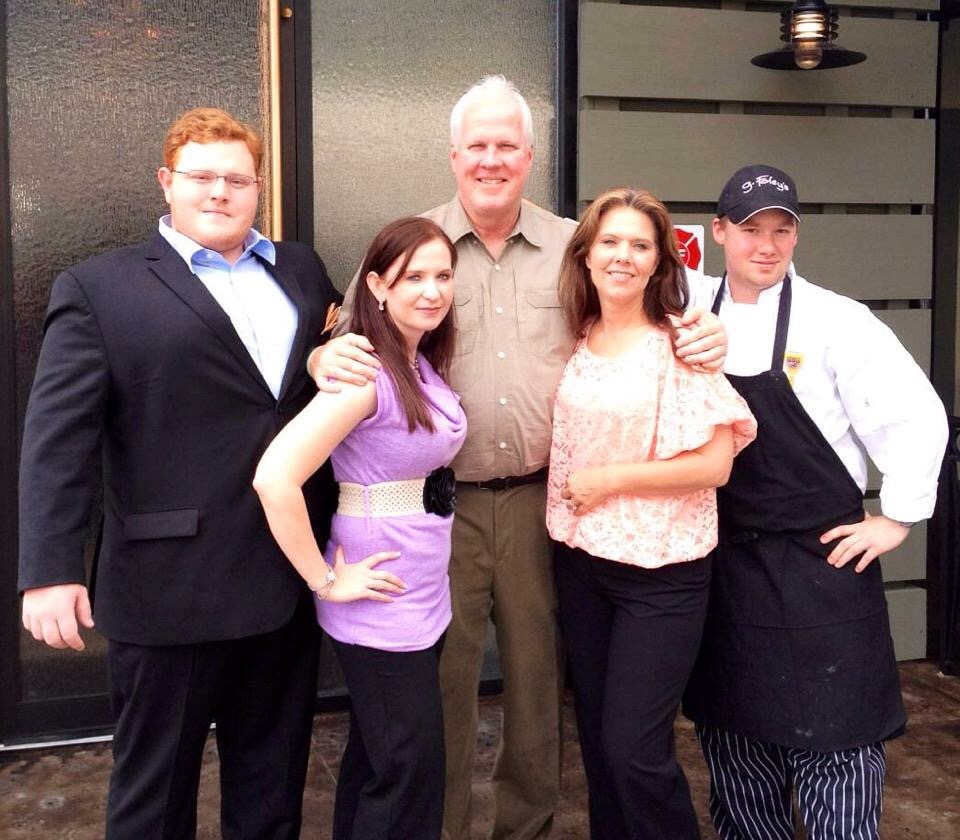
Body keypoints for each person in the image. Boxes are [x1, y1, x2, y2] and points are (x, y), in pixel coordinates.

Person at [311, 76, 728, 840]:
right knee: (444, 682)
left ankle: (525, 827)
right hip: (442, 506)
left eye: (507, 145)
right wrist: (319, 359)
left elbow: (655, 294)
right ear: (453, 155)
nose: (492, 159)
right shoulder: (417, 245)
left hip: (547, 505)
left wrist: (709, 328)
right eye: (477, 145)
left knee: (538, 683)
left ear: (530, 157)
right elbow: (351, 335)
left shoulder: (576, 245)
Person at [18, 107, 342, 839]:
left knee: (272, 787)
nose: (219, 191)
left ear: (258, 187)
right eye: (201, 176)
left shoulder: (301, 269)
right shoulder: (99, 288)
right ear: (167, 181)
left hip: (285, 576)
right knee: (154, 798)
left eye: (237, 179)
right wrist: (50, 569)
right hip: (168, 587)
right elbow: (57, 440)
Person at [682, 164, 949, 840]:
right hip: (727, 567)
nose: (767, 245)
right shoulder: (688, 311)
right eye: (751, 229)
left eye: (782, 230)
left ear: (797, 236)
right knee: (737, 741)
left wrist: (897, 517)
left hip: (822, 567)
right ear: (719, 232)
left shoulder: (838, 320)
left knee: (841, 742)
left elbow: (917, 415)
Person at [546, 188, 756, 839]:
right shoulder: (577, 336)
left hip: (660, 574)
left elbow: (715, 464)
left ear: (661, 261)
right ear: (585, 255)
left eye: (640, 245)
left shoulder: (680, 346)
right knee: (598, 742)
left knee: (634, 749)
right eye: (609, 241)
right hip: (582, 563)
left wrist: (610, 480)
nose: (623, 256)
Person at [254, 216, 467, 840]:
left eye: (443, 276)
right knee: (408, 772)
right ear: (376, 285)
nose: (432, 291)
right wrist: (324, 580)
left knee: (381, 761)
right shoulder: (365, 373)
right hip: (380, 599)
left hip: (420, 588)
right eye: (413, 277)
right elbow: (275, 478)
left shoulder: (418, 360)